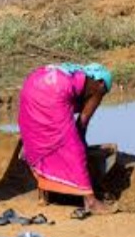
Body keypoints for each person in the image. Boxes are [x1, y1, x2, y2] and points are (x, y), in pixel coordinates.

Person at [18, 63, 116, 215]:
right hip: (53, 91)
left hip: (32, 83)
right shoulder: (99, 87)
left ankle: (44, 194)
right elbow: (82, 122)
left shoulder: (77, 73)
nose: (101, 96)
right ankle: (90, 201)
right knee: (73, 147)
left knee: (45, 142)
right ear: (101, 83)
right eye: (104, 92)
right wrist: (82, 151)